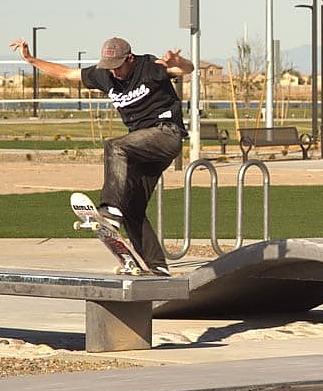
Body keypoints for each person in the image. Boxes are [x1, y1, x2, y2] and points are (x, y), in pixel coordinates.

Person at [10, 36, 194, 275]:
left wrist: (180, 61)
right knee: (132, 207)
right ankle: (157, 266)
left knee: (115, 146)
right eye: (109, 67)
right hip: (142, 148)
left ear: (130, 58)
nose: (114, 73)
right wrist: (30, 59)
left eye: (118, 66)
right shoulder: (103, 74)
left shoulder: (149, 67)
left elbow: (185, 69)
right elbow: (67, 74)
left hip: (166, 134)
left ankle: (110, 210)